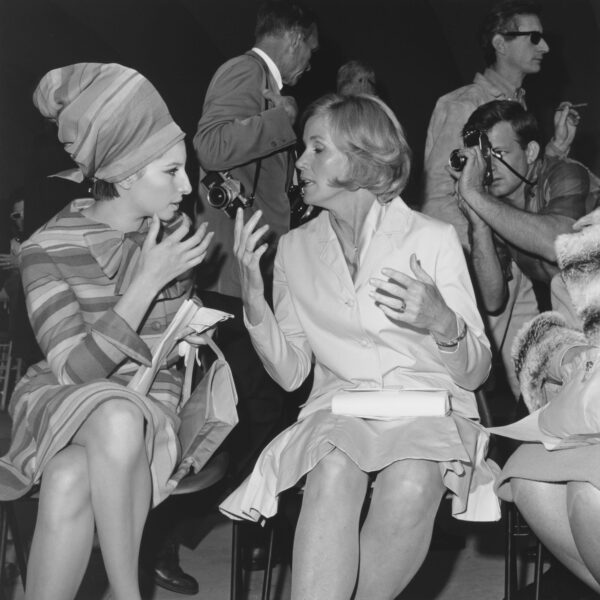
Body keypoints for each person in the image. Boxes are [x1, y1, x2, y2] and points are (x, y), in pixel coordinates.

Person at [220, 93, 498, 600]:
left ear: (363, 158)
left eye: (317, 149)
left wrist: (441, 320)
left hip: (428, 404)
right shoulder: (295, 249)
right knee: (332, 467)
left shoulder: (431, 239)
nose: (300, 161)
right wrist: (255, 301)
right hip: (339, 405)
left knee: (413, 479)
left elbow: (476, 374)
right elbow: (290, 373)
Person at [0, 62, 213, 600]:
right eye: (171, 171)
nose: (187, 186)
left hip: (149, 398)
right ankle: (129, 594)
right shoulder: (47, 248)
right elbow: (73, 370)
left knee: (72, 476)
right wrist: (146, 284)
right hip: (63, 399)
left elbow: (167, 352)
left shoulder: (170, 234)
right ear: (122, 175)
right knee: (114, 414)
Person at [193, 0, 318, 571]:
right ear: (292, 39)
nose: (309, 63)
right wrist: (285, 115)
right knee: (251, 408)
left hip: (255, 265)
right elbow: (212, 147)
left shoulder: (260, 84)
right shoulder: (245, 71)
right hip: (231, 270)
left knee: (261, 407)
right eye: (309, 50)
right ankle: (173, 529)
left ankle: (257, 537)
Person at [456, 100, 597, 398]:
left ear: (530, 152)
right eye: (483, 157)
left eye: (498, 153)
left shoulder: (566, 174)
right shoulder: (499, 210)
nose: (488, 167)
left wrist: (474, 193)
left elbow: (557, 244)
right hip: (581, 324)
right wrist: (479, 222)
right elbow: (494, 299)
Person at [495, 207, 600, 595]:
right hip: (594, 420)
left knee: (590, 493)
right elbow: (558, 337)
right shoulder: (590, 250)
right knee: (528, 480)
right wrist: (567, 357)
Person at [422, 0, 578, 250]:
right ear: (500, 44)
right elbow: (439, 202)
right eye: (534, 38)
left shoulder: (519, 104)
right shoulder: (462, 104)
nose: (545, 47)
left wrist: (557, 146)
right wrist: (484, 259)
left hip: (522, 269)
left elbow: (524, 186)